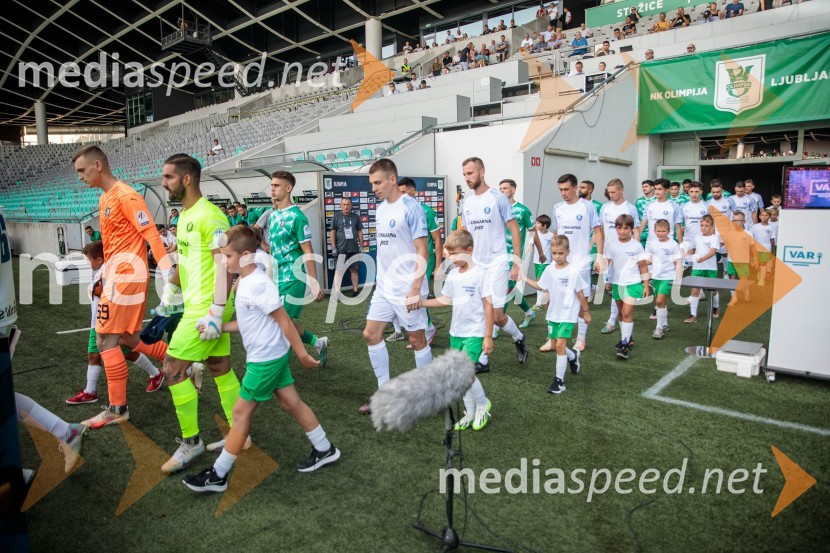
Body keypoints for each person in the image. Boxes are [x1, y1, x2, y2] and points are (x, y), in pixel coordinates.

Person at [182, 227, 338, 492]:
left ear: (245, 255)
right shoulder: (244, 281)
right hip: (270, 356)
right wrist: (217, 327)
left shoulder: (257, 283)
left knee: (241, 413)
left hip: (265, 360)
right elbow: (247, 322)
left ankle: (218, 475)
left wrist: (302, 354)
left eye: (228, 256)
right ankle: (325, 448)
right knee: (292, 403)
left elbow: (285, 321)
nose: (224, 261)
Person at [71, 146, 172, 429]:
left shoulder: (126, 195)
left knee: (105, 341)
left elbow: (151, 234)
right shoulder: (105, 197)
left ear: (98, 165)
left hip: (127, 277)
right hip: (117, 276)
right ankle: (180, 361)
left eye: (82, 170)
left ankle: (118, 408)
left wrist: (168, 274)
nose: (80, 176)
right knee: (128, 339)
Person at [152, 154, 240, 473]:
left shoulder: (211, 216)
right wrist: (172, 288)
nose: (164, 183)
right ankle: (239, 434)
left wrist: (216, 313)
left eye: (168, 177)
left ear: (186, 179)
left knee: (172, 370)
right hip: (198, 306)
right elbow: (190, 263)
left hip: (207, 309)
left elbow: (225, 265)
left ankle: (191, 443)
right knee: (219, 369)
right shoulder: (185, 216)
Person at [359, 159, 432, 414]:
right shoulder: (380, 209)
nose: (374, 188)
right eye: (372, 183)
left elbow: (423, 250)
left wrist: (415, 288)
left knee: (417, 339)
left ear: (393, 179)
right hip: (384, 287)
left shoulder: (411, 208)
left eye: (377, 182)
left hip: (407, 288)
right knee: (370, 334)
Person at [65, 240, 165, 405]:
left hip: (106, 321)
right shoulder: (104, 269)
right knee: (127, 352)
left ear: (98, 259)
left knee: (94, 354)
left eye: (88, 259)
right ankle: (156, 373)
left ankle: (91, 392)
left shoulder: (110, 270)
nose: (87, 263)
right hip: (106, 320)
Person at [460, 158, 529, 371]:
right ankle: (483, 361)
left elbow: (515, 230)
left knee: (497, 316)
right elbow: (466, 235)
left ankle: (519, 338)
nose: (467, 178)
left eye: (470, 173)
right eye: (464, 175)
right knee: (481, 312)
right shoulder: (467, 203)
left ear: (482, 171)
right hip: (476, 265)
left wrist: (516, 262)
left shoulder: (498, 198)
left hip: (497, 263)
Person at [421, 230, 493, 429]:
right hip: (456, 332)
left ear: (469, 250)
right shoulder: (453, 274)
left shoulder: (480, 273)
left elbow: (489, 306)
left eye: (454, 254)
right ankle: (469, 413)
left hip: (475, 333)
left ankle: (482, 406)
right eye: (448, 254)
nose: (449, 258)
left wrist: (488, 336)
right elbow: (446, 299)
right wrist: (421, 303)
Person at [267, 171, 328, 366]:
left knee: (280, 322)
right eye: (271, 185)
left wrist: (313, 282)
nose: (272, 189)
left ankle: (278, 371)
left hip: (294, 275)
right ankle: (318, 342)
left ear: (288, 188)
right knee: (281, 321)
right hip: (276, 276)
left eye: (276, 185)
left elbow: (307, 250)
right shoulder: (274, 214)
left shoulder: (298, 217)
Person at [522, 235, 588, 394]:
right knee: (556, 345)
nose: (557, 257)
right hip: (553, 314)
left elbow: (579, 292)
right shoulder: (550, 269)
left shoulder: (573, 271)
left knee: (559, 346)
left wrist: (585, 311)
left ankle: (559, 382)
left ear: (568, 252)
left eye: (561, 253)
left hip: (568, 314)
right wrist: (523, 278)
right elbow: (540, 286)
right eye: (554, 253)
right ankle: (573, 357)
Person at [548, 174, 602, 352]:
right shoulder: (557, 208)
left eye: (566, 189)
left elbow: (598, 232)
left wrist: (599, 256)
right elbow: (556, 234)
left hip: (580, 262)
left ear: (575, 188)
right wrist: (552, 257)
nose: (563, 193)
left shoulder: (588, 207)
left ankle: (581, 338)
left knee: (580, 301)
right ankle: (553, 337)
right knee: (555, 299)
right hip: (561, 262)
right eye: (560, 190)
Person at [600, 214, 650, 360]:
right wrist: (603, 274)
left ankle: (624, 345)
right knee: (621, 313)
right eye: (619, 228)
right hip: (617, 283)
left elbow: (643, 266)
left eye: (626, 228)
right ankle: (627, 338)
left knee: (627, 313)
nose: (622, 231)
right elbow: (607, 263)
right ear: (615, 229)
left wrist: (646, 285)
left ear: (631, 229)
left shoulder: (636, 245)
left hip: (633, 283)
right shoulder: (611, 244)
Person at [499, 179, 545, 330]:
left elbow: (533, 233)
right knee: (509, 289)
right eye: (499, 189)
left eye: (504, 188)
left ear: (513, 190)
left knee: (506, 288)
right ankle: (529, 313)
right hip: (499, 256)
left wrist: (541, 252)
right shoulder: (496, 209)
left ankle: (496, 325)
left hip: (515, 257)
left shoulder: (522, 210)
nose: (501, 191)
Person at [598, 179, 640, 335]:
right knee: (612, 287)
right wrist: (600, 253)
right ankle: (616, 321)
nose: (611, 195)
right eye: (609, 192)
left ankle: (611, 321)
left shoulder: (630, 208)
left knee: (620, 287)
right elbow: (600, 232)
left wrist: (633, 252)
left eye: (614, 192)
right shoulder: (604, 208)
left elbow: (636, 231)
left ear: (621, 190)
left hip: (625, 256)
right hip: (609, 254)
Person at [645, 219, 682, 339]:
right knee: (661, 302)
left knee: (659, 301)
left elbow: (678, 262)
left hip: (668, 277)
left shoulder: (673, 244)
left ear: (668, 231)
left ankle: (659, 328)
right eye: (658, 231)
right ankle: (665, 323)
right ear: (654, 231)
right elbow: (648, 259)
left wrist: (678, 279)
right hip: (655, 277)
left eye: (663, 231)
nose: (660, 233)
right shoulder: (652, 243)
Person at [683, 215, 721, 324]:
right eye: (702, 225)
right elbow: (693, 250)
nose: (703, 227)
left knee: (713, 290)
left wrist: (702, 259)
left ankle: (716, 307)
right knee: (695, 290)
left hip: (710, 268)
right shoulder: (697, 237)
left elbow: (713, 252)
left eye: (706, 225)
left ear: (712, 226)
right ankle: (693, 315)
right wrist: (686, 256)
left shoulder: (714, 238)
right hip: (697, 268)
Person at [329, 197, 363, 297]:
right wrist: (334, 247)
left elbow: (360, 232)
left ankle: (355, 291)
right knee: (339, 271)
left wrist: (361, 247)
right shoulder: (336, 217)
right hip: (340, 249)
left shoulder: (356, 217)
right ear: (340, 206)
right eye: (344, 204)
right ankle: (336, 293)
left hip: (354, 249)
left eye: (348, 204)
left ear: (351, 206)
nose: (346, 206)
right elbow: (332, 232)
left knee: (354, 270)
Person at [722, 212, 756, 305]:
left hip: (743, 261)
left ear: (744, 221)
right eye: (734, 220)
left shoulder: (748, 233)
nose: (735, 222)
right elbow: (725, 244)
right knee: (732, 278)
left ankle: (747, 292)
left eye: (738, 220)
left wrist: (753, 259)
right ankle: (734, 298)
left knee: (743, 279)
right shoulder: (729, 233)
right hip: (731, 260)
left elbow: (752, 247)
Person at [639, 179, 683, 246]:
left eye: (659, 189)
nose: (656, 192)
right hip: (651, 244)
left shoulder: (674, 206)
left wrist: (682, 246)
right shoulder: (648, 205)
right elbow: (643, 224)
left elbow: (678, 228)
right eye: (655, 189)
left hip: (668, 245)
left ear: (666, 190)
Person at [532, 215, 554, 312]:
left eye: (537, 223)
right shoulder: (534, 234)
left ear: (544, 225)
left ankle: (538, 304)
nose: (535, 224)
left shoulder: (551, 235)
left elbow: (554, 248)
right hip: (536, 261)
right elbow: (530, 246)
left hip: (545, 262)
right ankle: (543, 301)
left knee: (540, 282)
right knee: (539, 282)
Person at [750, 209, 776, 286]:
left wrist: (773, 251)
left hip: (766, 248)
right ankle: (760, 272)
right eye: (762, 215)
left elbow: (772, 239)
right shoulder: (755, 227)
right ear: (759, 216)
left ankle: (762, 280)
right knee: (756, 264)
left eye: (766, 215)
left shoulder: (771, 227)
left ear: (769, 217)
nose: (764, 217)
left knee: (763, 264)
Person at [636, 180, 655, 247]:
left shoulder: (657, 200)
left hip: (655, 231)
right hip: (642, 232)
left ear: (652, 187)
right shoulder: (639, 201)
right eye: (643, 187)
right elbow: (637, 217)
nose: (644, 188)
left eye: (646, 186)